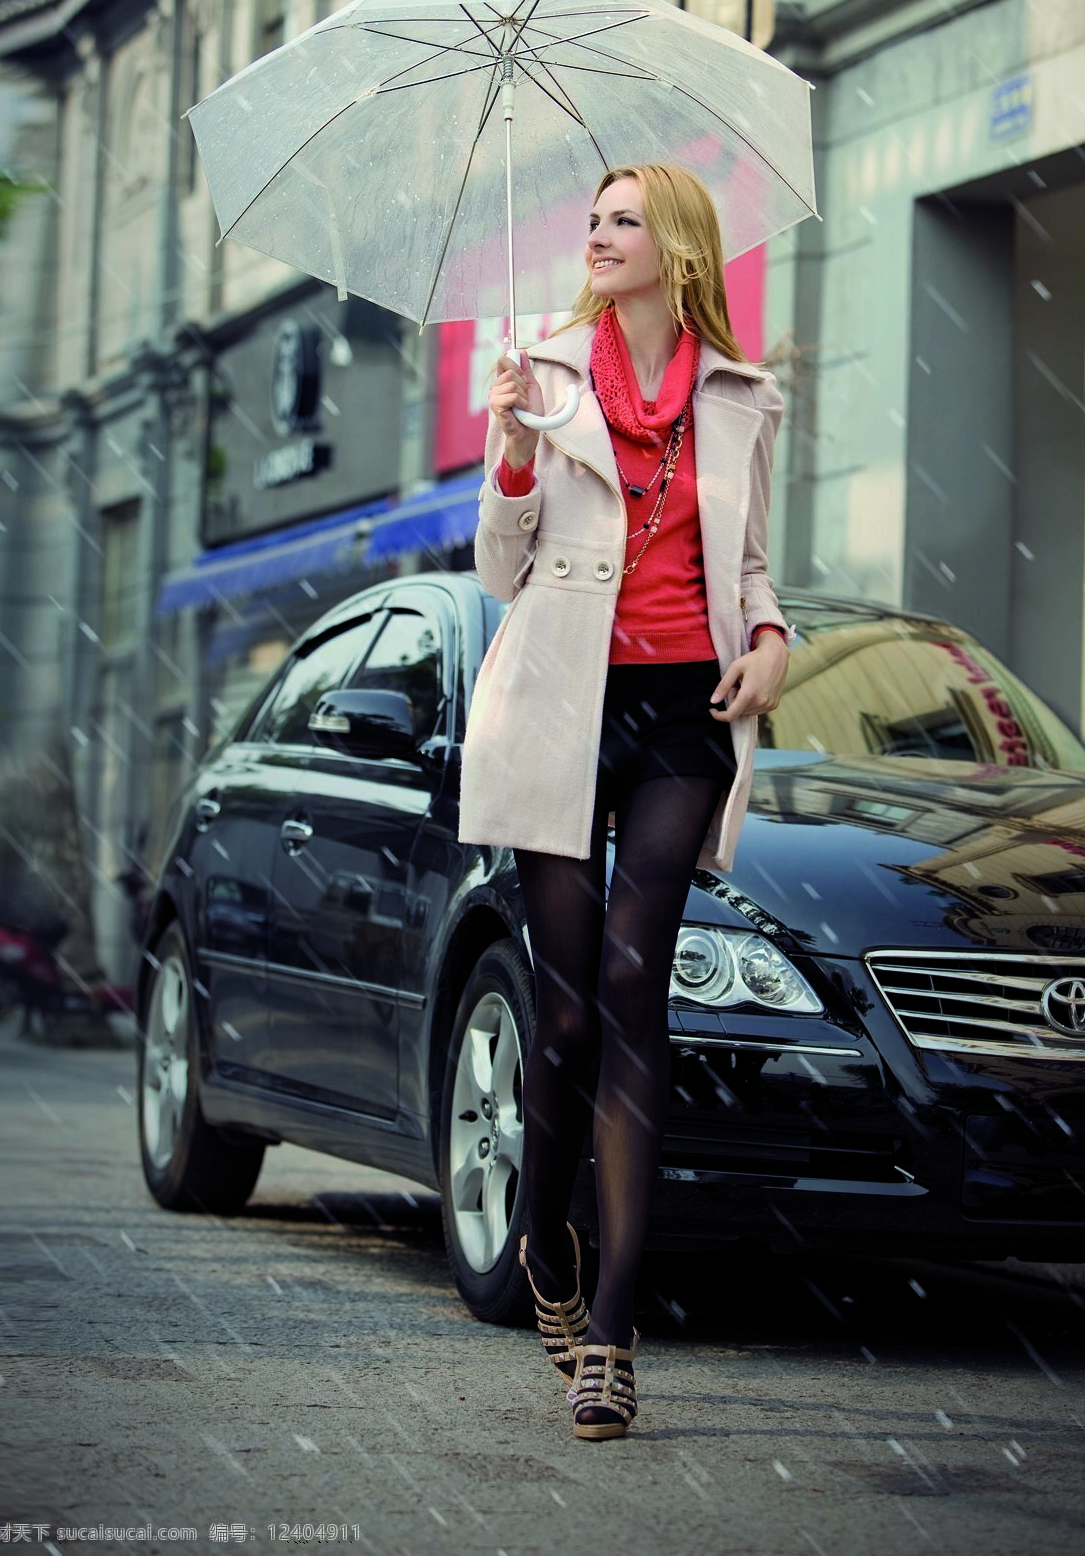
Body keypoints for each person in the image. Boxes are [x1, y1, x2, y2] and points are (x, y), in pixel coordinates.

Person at [458, 162, 793, 1440]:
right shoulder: (539, 375)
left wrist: (770, 641)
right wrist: (506, 452)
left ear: (680, 248)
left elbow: (752, 567)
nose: (596, 236)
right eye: (589, 219)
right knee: (560, 1020)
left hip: (681, 720)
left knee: (635, 987)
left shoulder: (741, 396)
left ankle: (613, 1332)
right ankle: (544, 1238)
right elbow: (499, 572)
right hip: (559, 704)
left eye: (622, 221)